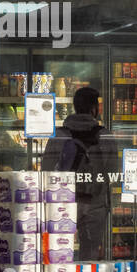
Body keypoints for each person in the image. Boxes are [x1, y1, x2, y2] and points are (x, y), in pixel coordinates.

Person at [40, 86, 116, 260]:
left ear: (75, 107)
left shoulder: (59, 135)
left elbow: (46, 171)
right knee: (89, 252)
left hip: (64, 201)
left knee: (59, 249)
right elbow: (113, 172)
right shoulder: (105, 136)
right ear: (93, 109)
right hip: (95, 203)